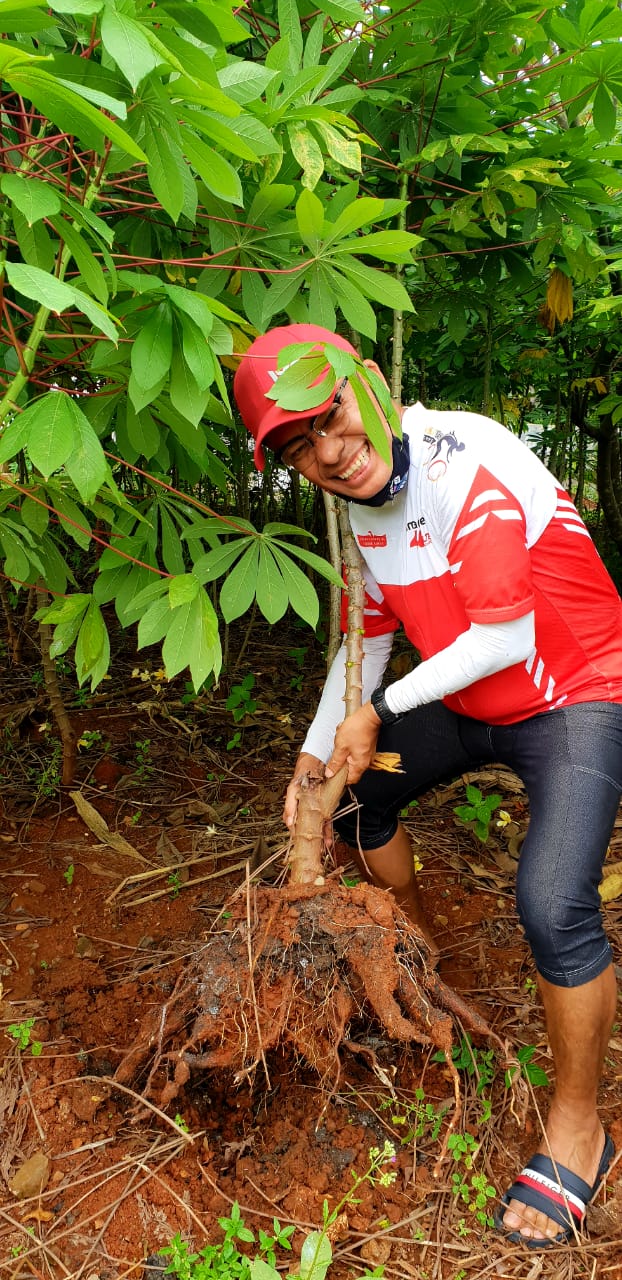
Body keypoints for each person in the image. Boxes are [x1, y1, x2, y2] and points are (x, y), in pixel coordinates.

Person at [233, 322, 622, 1250]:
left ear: (369, 385)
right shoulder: (362, 518)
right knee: (357, 804)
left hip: (575, 690)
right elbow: (363, 645)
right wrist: (313, 758)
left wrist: (375, 715)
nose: (330, 452)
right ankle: (418, 958)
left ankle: (581, 1127)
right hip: (470, 699)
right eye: (300, 448)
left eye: (331, 416)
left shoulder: (464, 458)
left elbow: (506, 636)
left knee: (553, 903)